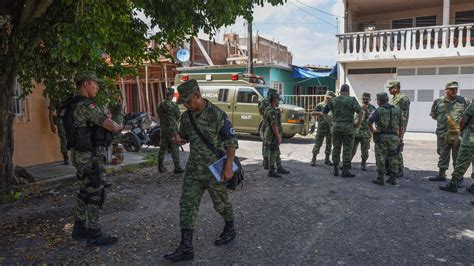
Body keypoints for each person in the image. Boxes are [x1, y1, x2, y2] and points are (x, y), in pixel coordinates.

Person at [164, 79, 238, 263]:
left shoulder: (216, 114)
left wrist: (228, 167)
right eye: (184, 102)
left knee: (221, 204)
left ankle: (230, 227)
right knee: (187, 204)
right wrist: (180, 139)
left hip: (215, 171)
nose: (187, 105)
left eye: (189, 101)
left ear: (198, 96)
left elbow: (231, 142)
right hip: (194, 170)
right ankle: (186, 248)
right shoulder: (187, 117)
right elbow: (186, 135)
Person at [68, 71, 122, 246]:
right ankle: (94, 233)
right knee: (97, 193)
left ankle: (79, 227)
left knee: (84, 191)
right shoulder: (86, 105)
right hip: (89, 156)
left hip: (78, 154)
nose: (97, 87)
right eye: (94, 84)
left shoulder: (70, 103)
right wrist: (118, 121)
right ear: (85, 84)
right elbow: (110, 126)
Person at [429, 81, 469, 183]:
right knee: (442, 154)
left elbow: (469, 115)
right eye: (451, 89)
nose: (454, 91)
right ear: (446, 90)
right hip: (443, 134)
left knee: (458, 157)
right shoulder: (438, 102)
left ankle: (458, 178)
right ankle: (441, 174)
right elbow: (434, 115)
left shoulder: (463, 101)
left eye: (456, 89)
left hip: (458, 135)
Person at [322, 84, 362, 177]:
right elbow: (360, 112)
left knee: (336, 147)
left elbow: (324, 112)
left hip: (336, 127)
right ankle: (345, 171)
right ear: (348, 91)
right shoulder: (352, 100)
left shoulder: (333, 100)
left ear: (340, 91)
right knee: (347, 148)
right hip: (348, 128)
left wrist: (331, 123)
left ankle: (335, 169)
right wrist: (358, 123)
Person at [368, 92, 404, 186]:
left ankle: (380, 178)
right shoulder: (397, 109)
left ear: (379, 101)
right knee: (393, 156)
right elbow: (401, 125)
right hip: (394, 137)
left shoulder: (379, 110)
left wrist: (374, 132)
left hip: (382, 137)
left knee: (380, 156)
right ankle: (393, 178)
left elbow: (369, 121)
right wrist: (400, 137)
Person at [439, 101, 474, 193]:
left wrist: (461, 131)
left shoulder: (472, 106)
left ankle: (453, 184)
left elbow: (463, 121)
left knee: (461, 162)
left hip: (470, 139)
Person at [156, 88, 184, 174]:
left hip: (163, 129)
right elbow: (178, 115)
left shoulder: (160, 104)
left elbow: (158, 114)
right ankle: (177, 167)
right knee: (175, 147)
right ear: (172, 95)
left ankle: (160, 166)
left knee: (162, 148)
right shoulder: (173, 105)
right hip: (172, 130)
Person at [387, 80, 410, 177]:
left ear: (396, 88)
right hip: (392, 127)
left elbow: (403, 117)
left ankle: (400, 169)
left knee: (397, 148)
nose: (389, 89)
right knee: (391, 148)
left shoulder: (403, 98)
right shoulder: (394, 98)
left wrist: (401, 133)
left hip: (397, 128)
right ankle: (391, 168)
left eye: (390, 88)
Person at [264, 93, 290, 178]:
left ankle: (279, 167)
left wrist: (278, 112)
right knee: (273, 152)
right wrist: (278, 136)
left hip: (270, 134)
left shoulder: (270, 109)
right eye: (277, 100)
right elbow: (274, 125)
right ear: (274, 100)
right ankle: (271, 170)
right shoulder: (271, 111)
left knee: (277, 152)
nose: (278, 101)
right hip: (272, 135)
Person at [352, 93, 376, 171]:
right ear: (361, 99)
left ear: (370, 100)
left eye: (367, 99)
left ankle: (363, 163)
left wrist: (367, 110)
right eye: (363, 99)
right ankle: (347, 163)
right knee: (352, 149)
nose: (365, 100)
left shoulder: (372, 108)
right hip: (356, 132)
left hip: (366, 133)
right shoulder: (357, 107)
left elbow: (373, 118)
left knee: (365, 150)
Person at [310, 90, 336, 166]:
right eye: (327, 98)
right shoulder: (320, 105)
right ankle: (313, 158)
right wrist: (320, 113)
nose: (328, 99)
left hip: (330, 127)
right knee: (318, 143)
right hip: (322, 127)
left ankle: (327, 159)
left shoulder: (333, 106)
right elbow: (313, 113)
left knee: (329, 144)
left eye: (330, 98)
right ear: (325, 97)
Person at [48, 96, 69, 165]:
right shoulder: (55, 96)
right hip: (61, 121)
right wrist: (52, 124)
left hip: (70, 120)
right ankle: (66, 157)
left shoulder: (70, 94)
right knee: (63, 139)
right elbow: (51, 111)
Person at [109, 98, 124, 165]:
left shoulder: (117, 116)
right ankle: (119, 158)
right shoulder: (117, 115)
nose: (110, 110)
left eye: (111, 108)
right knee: (115, 147)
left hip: (115, 135)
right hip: (116, 135)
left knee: (115, 147)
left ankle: (119, 158)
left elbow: (118, 127)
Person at [258, 95, 270, 169]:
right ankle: (266, 161)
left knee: (267, 143)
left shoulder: (270, 102)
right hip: (266, 123)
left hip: (268, 122)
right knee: (266, 143)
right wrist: (265, 115)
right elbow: (260, 109)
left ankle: (267, 161)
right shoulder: (265, 102)